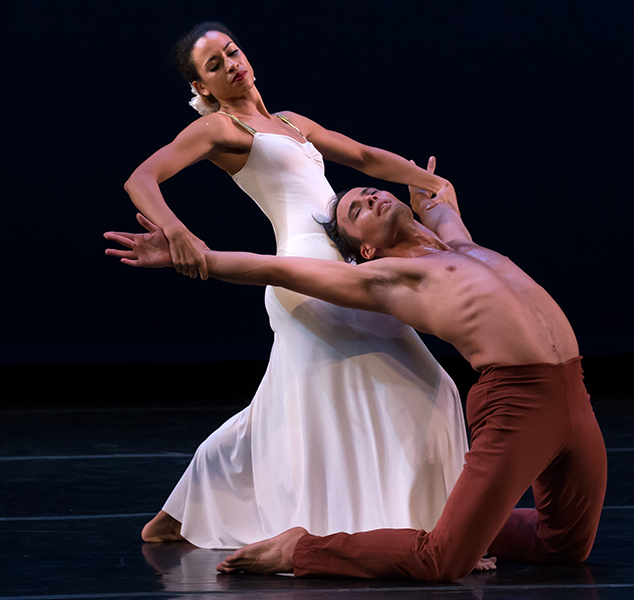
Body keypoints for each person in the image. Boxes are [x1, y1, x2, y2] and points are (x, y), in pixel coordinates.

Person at [105, 156, 607, 582]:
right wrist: (199, 258)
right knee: (445, 558)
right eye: (357, 210)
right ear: (364, 251)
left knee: (563, 545)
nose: (370, 198)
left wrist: (425, 186)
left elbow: (437, 196)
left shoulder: (454, 242)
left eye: (369, 193)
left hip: (574, 392)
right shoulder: (390, 277)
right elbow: (277, 269)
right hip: (518, 403)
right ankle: (301, 548)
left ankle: (456, 518)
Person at [120, 21, 468, 549]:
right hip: (304, 275)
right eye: (214, 65)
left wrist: (428, 182)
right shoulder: (221, 129)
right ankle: (424, 531)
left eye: (231, 51)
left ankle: (184, 508)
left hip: (347, 266)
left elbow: (365, 157)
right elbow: (141, 178)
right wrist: (177, 231)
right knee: (417, 386)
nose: (231, 63)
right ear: (202, 89)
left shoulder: (290, 122)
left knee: (286, 403)